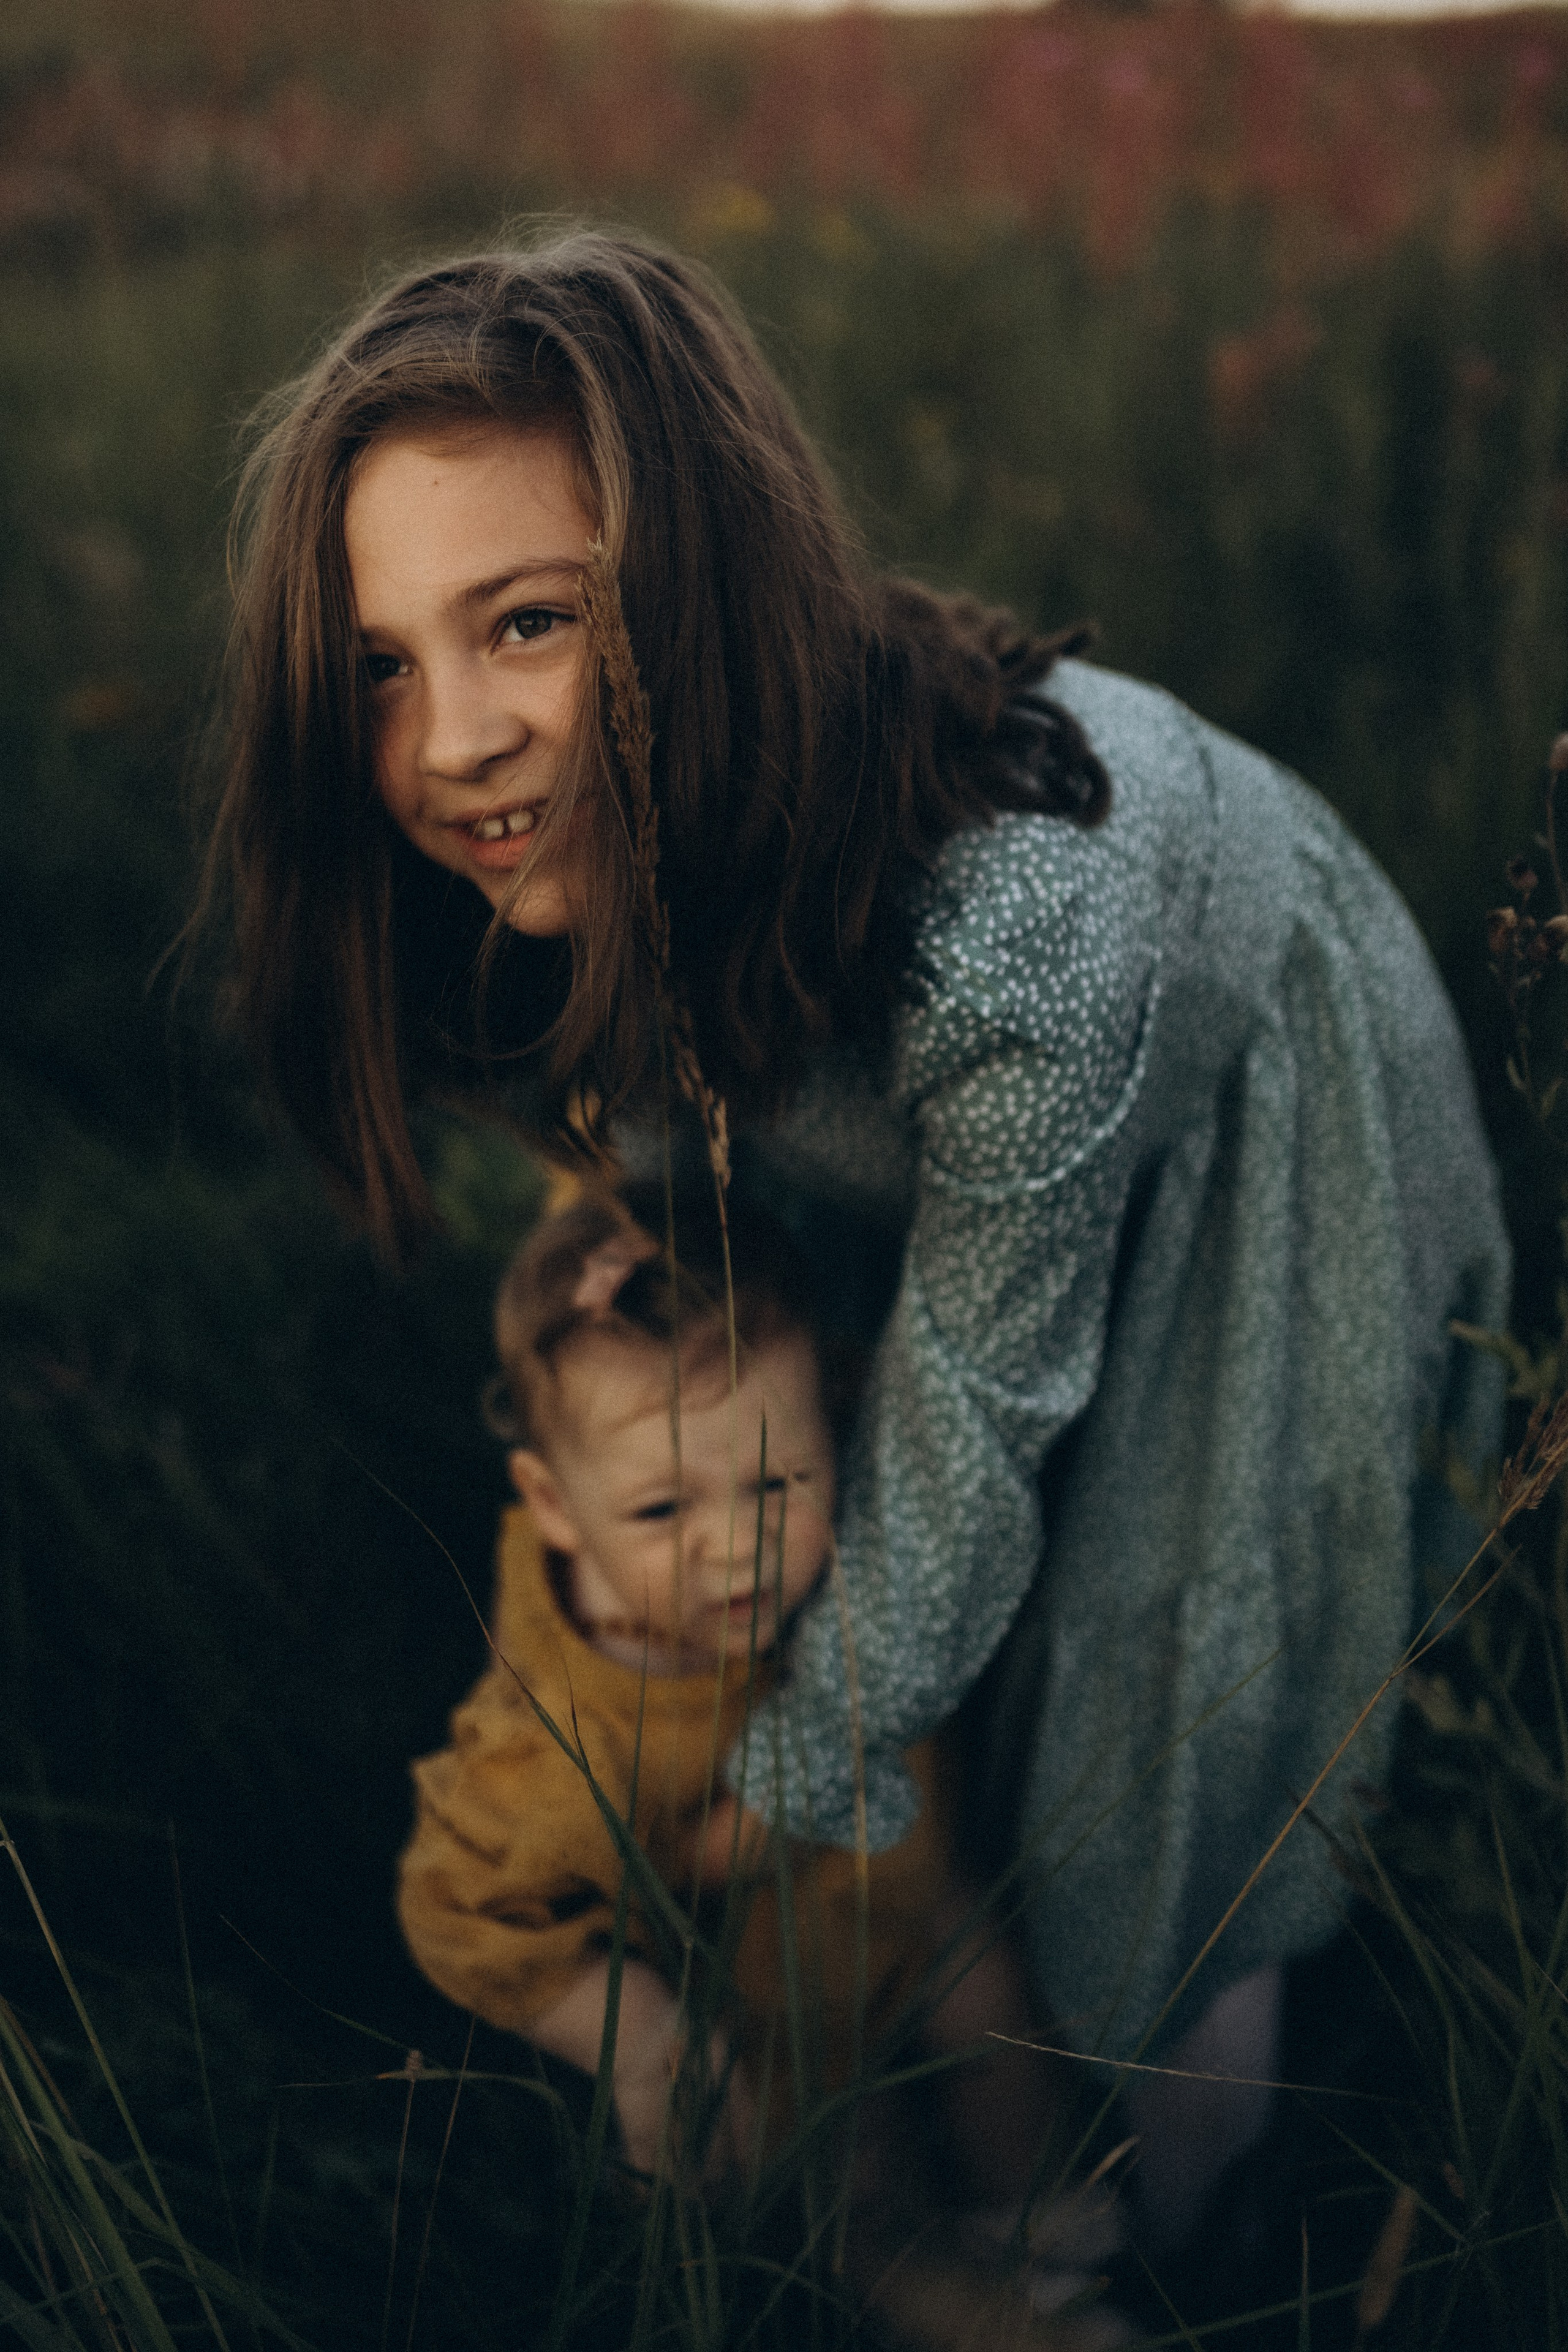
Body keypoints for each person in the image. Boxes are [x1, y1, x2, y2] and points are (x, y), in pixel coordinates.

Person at [204, 227, 1510, 2253]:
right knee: (865, 1567)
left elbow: (971, 1422)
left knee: (1138, 1758)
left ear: (700, 601)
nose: (448, 741)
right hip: (940, 1148)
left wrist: (788, 1784)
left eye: (530, 624)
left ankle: (1149, 2241)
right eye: (383, 661)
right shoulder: (554, 857)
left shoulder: (1014, 939)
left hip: (1253, 1109)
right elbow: (637, 1217)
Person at [396, 1181, 1054, 2200]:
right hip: (770, 2009)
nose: (741, 1548)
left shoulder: (849, 1480)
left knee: (986, 1994)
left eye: (777, 1482)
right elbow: (456, 1910)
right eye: (662, 1510)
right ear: (553, 1507)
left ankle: (1050, 2223)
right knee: (864, 2197)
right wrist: (645, 2045)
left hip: (899, 1891)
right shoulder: (573, 1742)